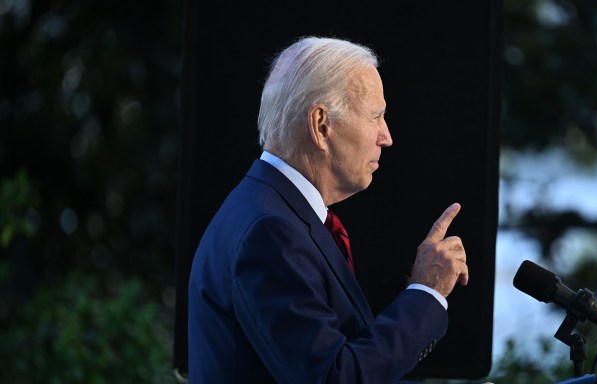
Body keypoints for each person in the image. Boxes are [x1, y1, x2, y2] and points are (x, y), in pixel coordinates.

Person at [187, 36, 469, 383]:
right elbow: (334, 377)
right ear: (321, 125)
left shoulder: (268, 209)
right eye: (376, 116)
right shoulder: (271, 232)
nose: (386, 136)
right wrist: (426, 292)